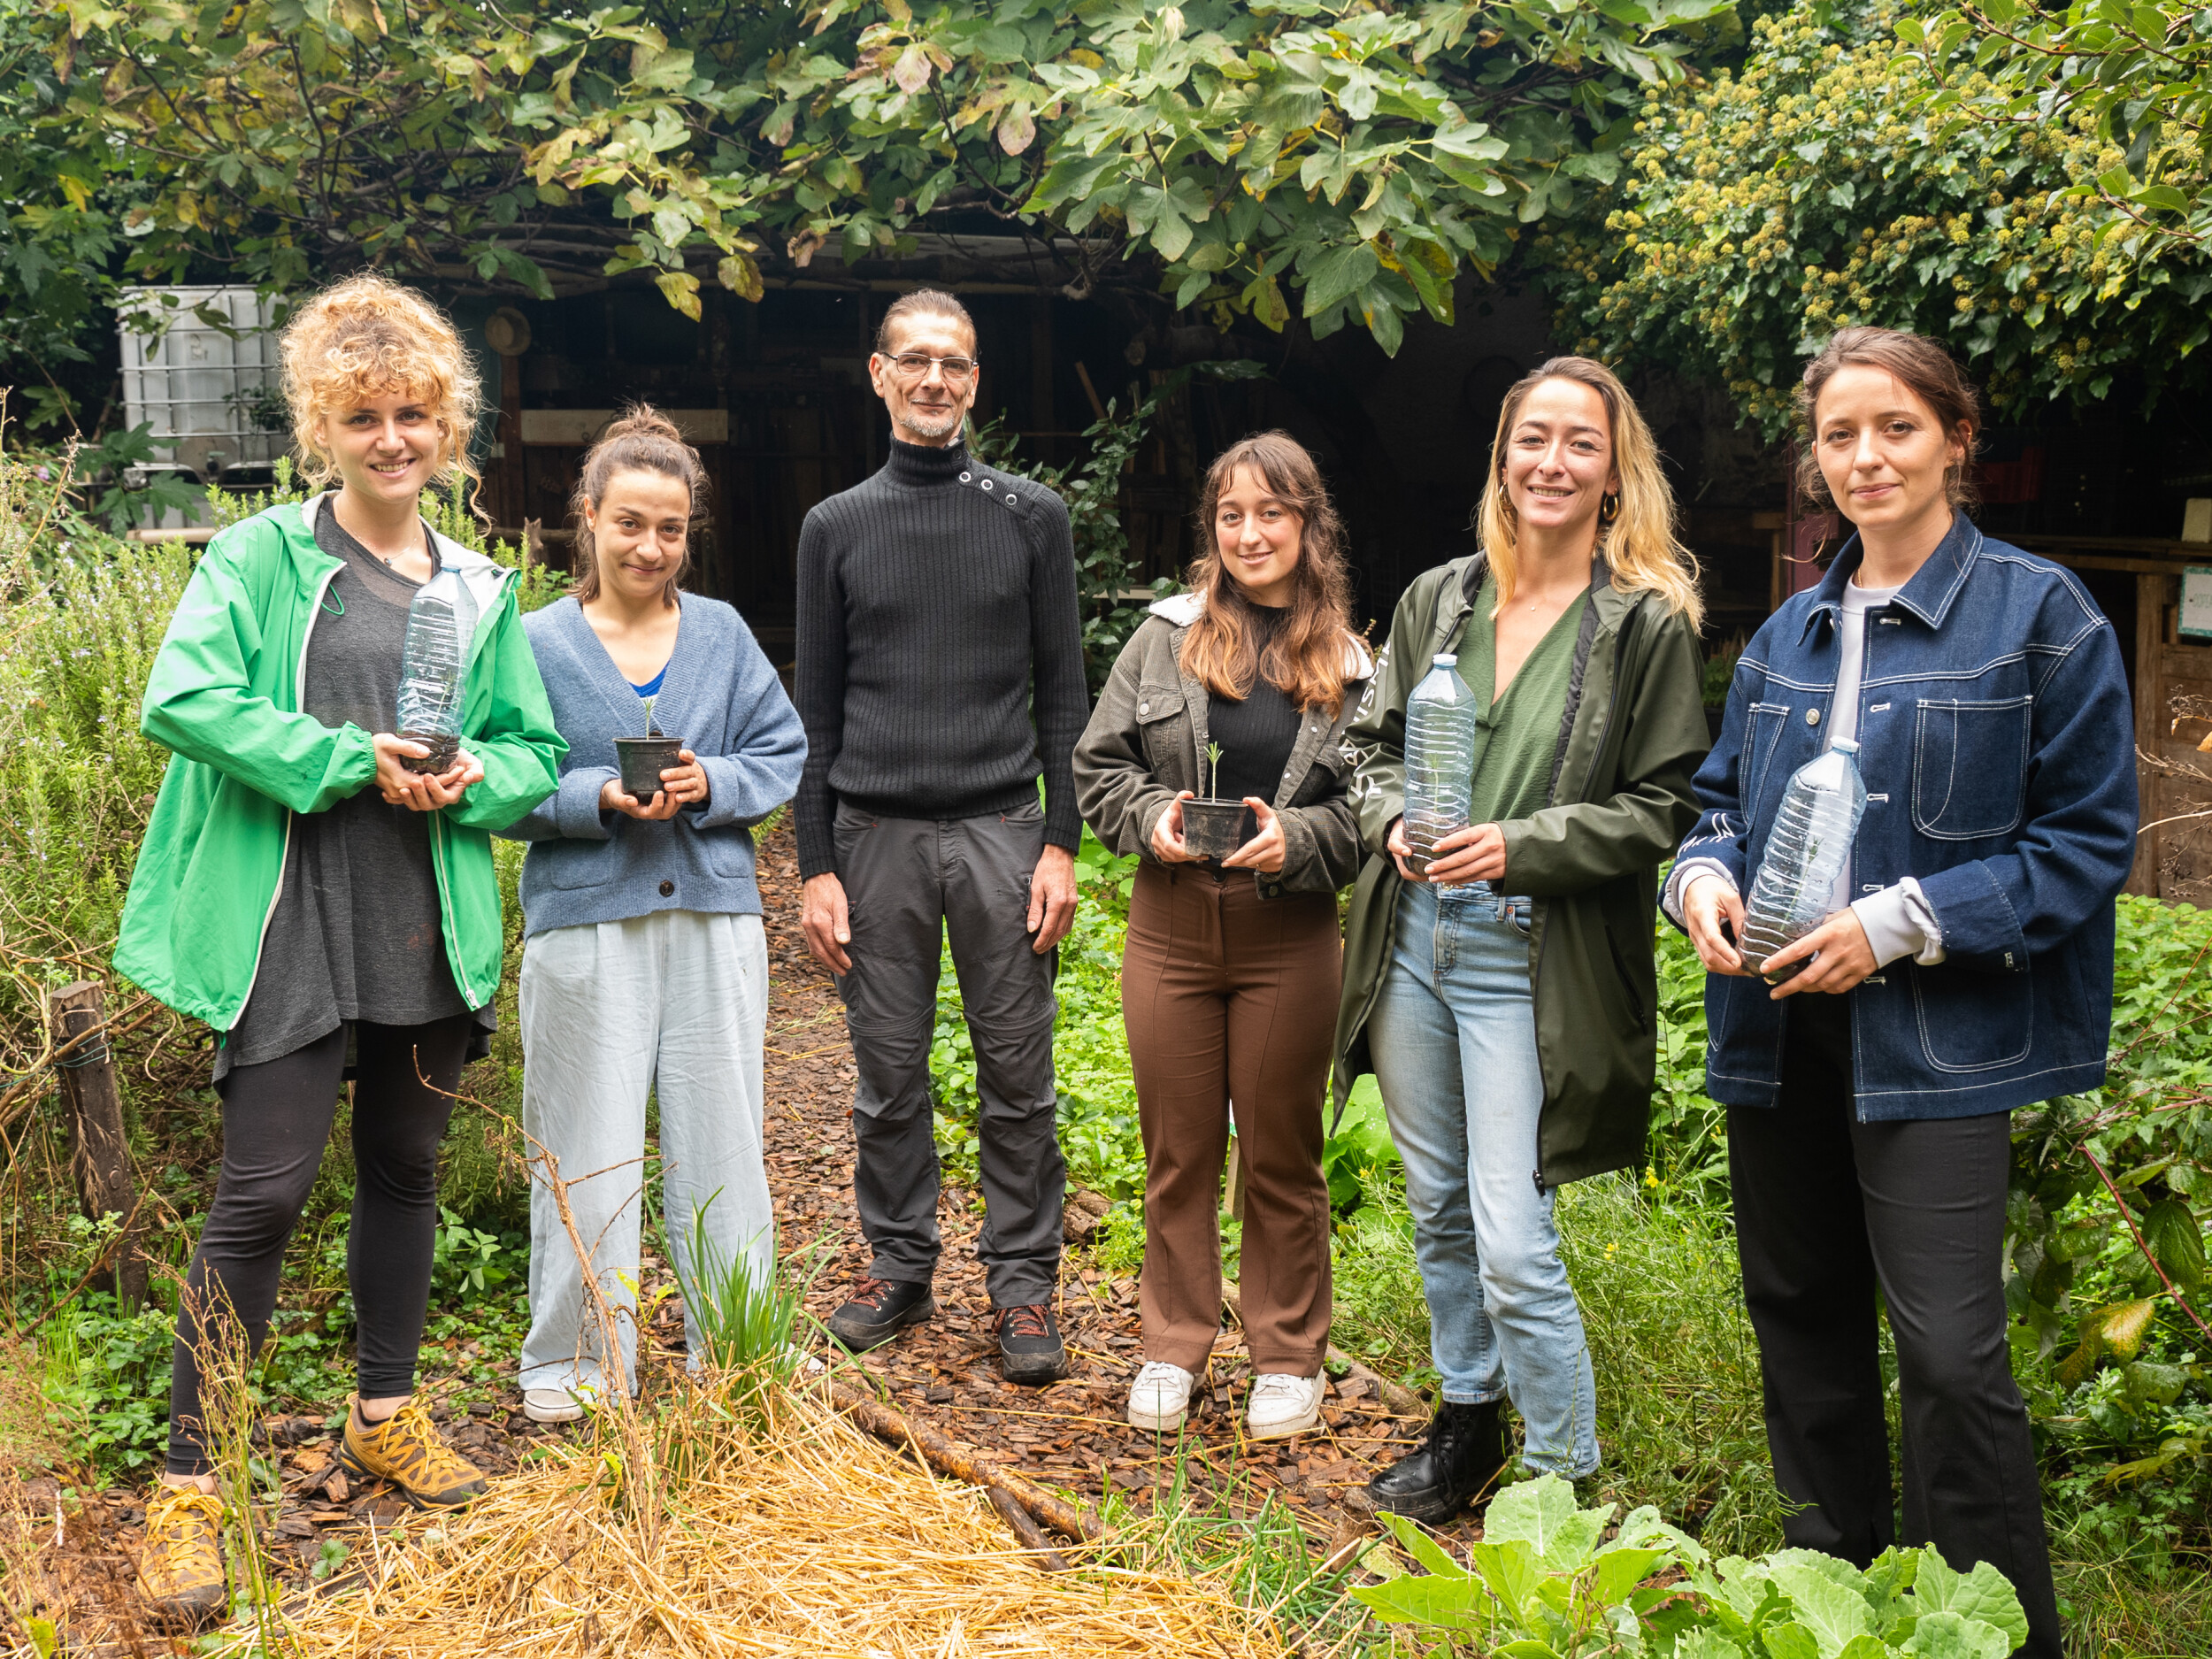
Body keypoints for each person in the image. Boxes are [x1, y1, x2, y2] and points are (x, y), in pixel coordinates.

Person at [1671, 326, 2133, 1659]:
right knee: (1802, 1320)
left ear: (1956, 440)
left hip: (1938, 1032)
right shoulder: (1787, 635)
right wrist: (1699, 883)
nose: (1865, 457)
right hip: (1776, 1023)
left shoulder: (2042, 615)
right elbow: (1715, 808)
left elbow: (2087, 841)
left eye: (1896, 428)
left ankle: (1985, 1633)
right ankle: (1841, 1603)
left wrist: (1897, 921)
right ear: (1815, 459)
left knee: (1947, 1353)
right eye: (1839, 434)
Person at [112, 274, 563, 1623]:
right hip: (289, 917)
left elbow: (533, 756)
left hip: (417, 920)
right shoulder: (259, 558)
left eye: (414, 412)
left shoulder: (482, 586)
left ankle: (385, 1412)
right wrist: (339, 758)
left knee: (407, 1169)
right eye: (362, 416)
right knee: (260, 1192)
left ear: (450, 424)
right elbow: (183, 695)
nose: (391, 438)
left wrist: (465, 774)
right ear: (323, 426)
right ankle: (190, 1486)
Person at [1333, 357, 1709, 1520]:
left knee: (1511, 1234)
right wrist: (1395, 819)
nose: (1552, 462)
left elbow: (1663, 804)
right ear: (1503, 458)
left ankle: (1561, 1477)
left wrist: (1520, 843)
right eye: (1531, 439)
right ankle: (1468, 1424)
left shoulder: (1640, 625)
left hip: (1523, 959)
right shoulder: (1438, 598)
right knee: (1437, 1204)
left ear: (1614, 472)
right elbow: (1363, 748)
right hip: (1411, 946)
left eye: (1579, 444)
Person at [794, 288, 1087, 1385]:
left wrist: (1061, 844)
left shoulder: (1028, 516)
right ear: (877, 375)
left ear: (974, 380)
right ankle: (900, 1268)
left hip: (1004, 827)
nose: (932, 380)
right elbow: (814, 712)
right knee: (887, 1076)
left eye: (952, 364)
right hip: (874, 835)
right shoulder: (836, 525)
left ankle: (1022, 1288)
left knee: (1018, 1074)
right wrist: (816, 865)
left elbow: (1063, 696)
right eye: (912, 362)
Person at [497, 407, 805, 1423]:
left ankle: (741, 1348)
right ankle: (579, 1368)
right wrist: (593, 798)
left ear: (690, 531)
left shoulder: (719, 633)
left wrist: (707, 780)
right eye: (629, 523)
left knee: (724, 1143)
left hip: (713, 920)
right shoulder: (533, 640)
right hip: (586, 924)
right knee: (585, 1149)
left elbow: (780, 752)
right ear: (585, 518)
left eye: (670, 529)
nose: (650, 547)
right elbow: (498, 779)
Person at [1073, 433, 1371, 1438]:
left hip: (1287, 936)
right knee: (1178, 1149)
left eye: (1272, 514)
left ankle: (1287, 1356)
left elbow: (1376, 811)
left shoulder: (1351, 662)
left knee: (1282, 1154)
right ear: (1214, 527)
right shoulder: (1163, 639)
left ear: (1307, 525)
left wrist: (1301, 837)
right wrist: (1147, 818)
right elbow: (1098, 766)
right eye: (1232, 515)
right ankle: (1172, 1343)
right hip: (1168, 931)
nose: (1251, 533)